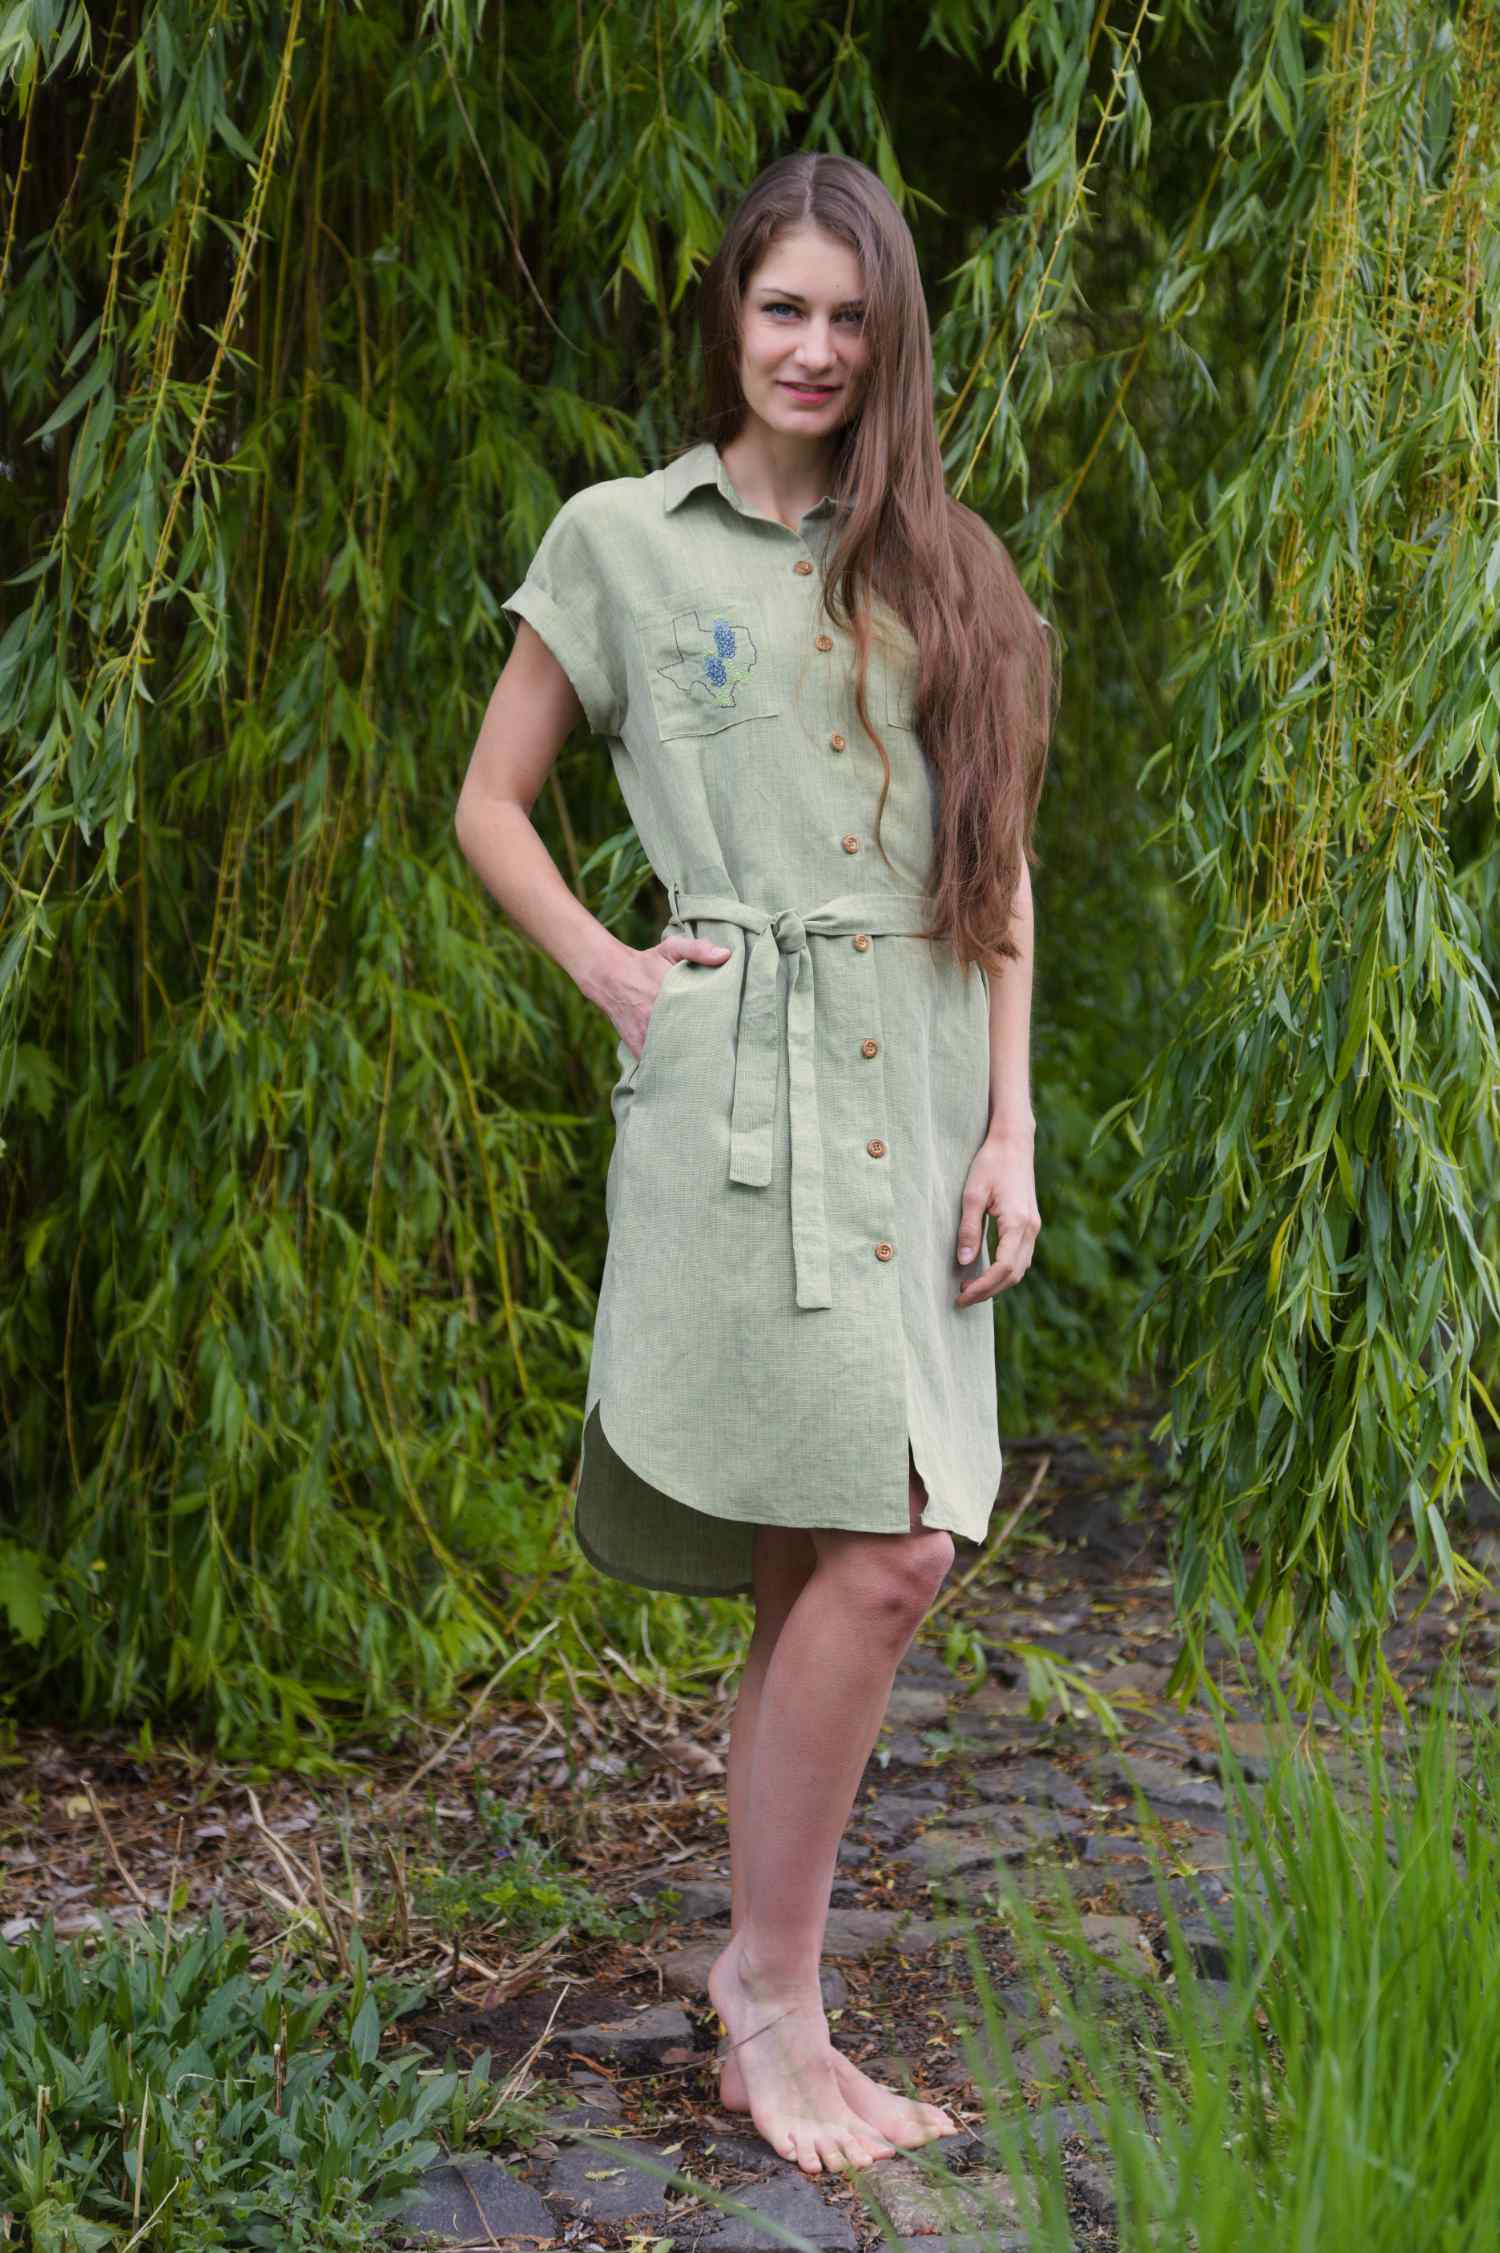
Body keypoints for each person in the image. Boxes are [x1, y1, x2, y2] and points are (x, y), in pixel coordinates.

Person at [455, 150, 1051, 2180]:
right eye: (781, 307)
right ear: (729, 313)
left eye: (848, 317)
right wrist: (614, 970)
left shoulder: (948, 562)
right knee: (878, 1552)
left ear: (892, 341)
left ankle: (774, 1993)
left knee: (853, 1549)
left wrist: (1012, 1125)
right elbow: (492, 801)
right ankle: (771, 1999)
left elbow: (998, 867)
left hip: (920, 1080)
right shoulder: (623, 539)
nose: (811, 348)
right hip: (740, 1092)